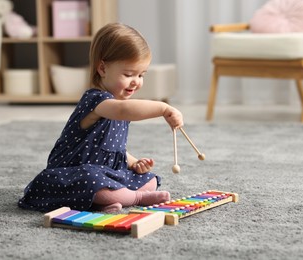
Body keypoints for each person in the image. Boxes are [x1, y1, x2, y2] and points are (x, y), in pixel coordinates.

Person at [18, 23, 183, 213]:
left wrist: (134, 163)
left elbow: (114, 147)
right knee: (91, 180)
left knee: (150, 179)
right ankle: (135, 198)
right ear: (103, 69)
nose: (136, 81)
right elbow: (123, 110)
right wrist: (163, 108)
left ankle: (107, 200)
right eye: (129, 74)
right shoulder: (96, 100)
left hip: (107, 173)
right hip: (71, 175)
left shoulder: (120, 103)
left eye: (141, 74)